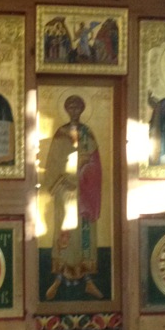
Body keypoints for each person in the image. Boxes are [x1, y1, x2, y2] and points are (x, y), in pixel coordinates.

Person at [43, 94, 103, 301]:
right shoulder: (60, 134)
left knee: (85, 235)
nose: (74, 110)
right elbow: (52, 163)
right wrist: (62, 179)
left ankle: (88, 281)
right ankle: (58, 278)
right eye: (71, 106)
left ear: (83, 109)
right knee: (64, 233)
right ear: (66, 109)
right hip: (64, 192)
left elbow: (96, 164)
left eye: (78, 106)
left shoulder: (88, 133)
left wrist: (84, 171)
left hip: (84, 193)